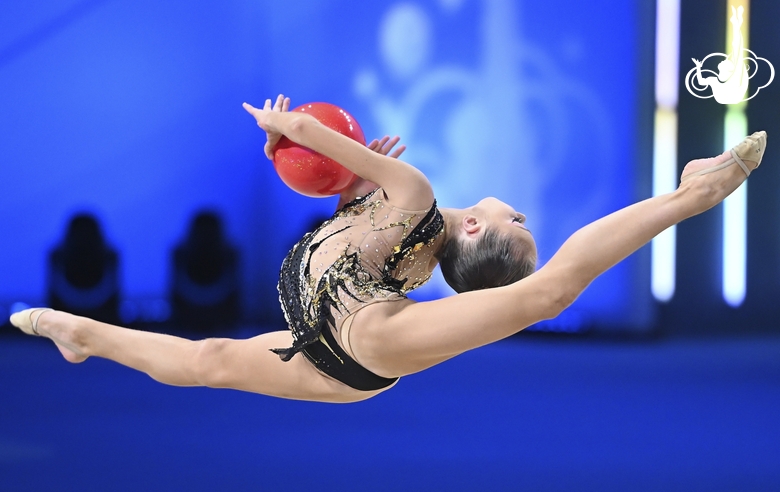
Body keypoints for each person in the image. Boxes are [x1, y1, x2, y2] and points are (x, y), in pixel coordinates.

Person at [11, 94, 767, 403]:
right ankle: (82, 334)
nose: (520, 207)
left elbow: (310, 137)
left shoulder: (413, 192)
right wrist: (332, 169)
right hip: (333, 354)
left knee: (549, 294)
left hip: (367, 340)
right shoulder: (400, 220)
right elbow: (321, 173)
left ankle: (692, 195)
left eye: (521, 220)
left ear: (477, 229)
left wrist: (276, 123)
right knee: (207, 360)